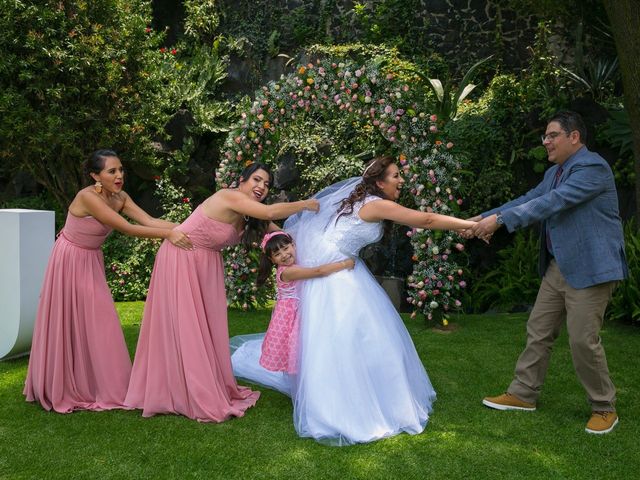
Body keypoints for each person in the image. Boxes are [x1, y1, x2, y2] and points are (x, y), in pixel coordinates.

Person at [231, 155, 477, 445]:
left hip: (344, 265)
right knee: (350, 333)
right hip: (337, 270)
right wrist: (467, 224)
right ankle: (338, 405)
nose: (401, 181)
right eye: (395, 175)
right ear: (379, 180)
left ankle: (363, 392)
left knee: (352, 334)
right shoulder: (376, 203)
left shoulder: (357, 199)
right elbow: (425, 219)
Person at [470, 110, 627, 434]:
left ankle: (603, 407)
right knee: (538, 329)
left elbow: (554, 202)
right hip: (561, 266)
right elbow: (530, 199)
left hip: (591, 269)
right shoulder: (556, 172)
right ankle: (524, 394)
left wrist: (499, 222)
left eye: (552, 135)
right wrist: (479, 219)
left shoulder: (592, 168)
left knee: (583, 340)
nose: (546, 141)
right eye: (545, 136)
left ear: (574, 137)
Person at [124, 162, 319, 422]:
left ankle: (197, 382)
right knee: (187, 326)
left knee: (207, 326)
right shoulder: (229, 197)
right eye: (257, 180)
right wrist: (305, 203)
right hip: (182, 257)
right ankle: (184, 389)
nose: (261, 186)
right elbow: (270, 210)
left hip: (206, 264)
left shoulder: (249, 214)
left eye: (266, 184)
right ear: (242, 181)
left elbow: (282, 232)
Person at [24, 149, 193, 413]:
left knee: (95, 319)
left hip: (91, 259)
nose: (119, 176)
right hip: (69, 259)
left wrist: (187, 227)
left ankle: (99, 383)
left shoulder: (121, 197)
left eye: (121, 170)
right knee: (81, 319)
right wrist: (168, 235)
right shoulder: (87, 197)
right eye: (111, 171)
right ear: (95, 175)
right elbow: (127, 228)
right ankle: (68, 384)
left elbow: (148, 220)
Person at [256, 231, 355, 374]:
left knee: (294, 344)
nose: (284, 255)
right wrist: (346, 263)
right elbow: (318, 271)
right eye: (277, 254)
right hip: (289, 314)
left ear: (293, 245)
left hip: (291, 310)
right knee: (293, 343)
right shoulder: (288, 272)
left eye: (286, 248)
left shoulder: (291, 267)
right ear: (272, 260)